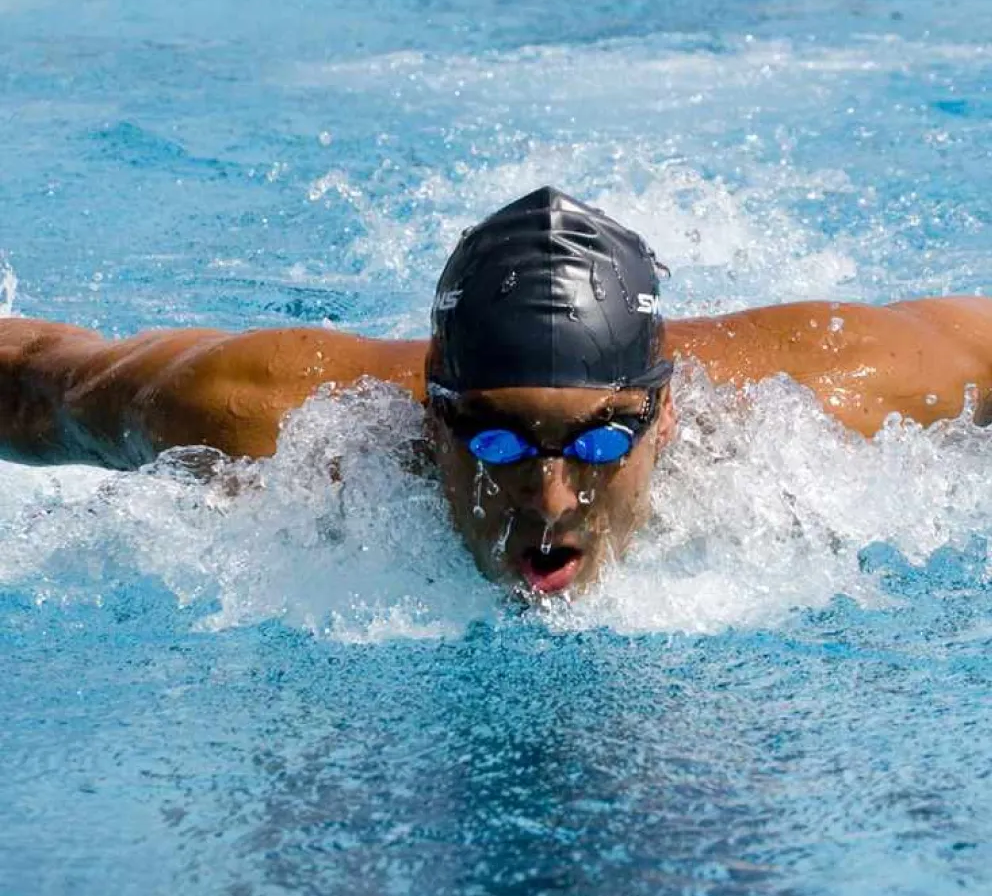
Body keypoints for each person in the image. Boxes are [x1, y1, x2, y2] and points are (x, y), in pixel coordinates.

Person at [2, 186, 991, 597]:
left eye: (599, 443)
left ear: (665, 413)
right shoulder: (267, 415)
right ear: (430, 413)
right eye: (498, 443)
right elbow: (41, 376)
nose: (550, 500)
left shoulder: (828, 399)